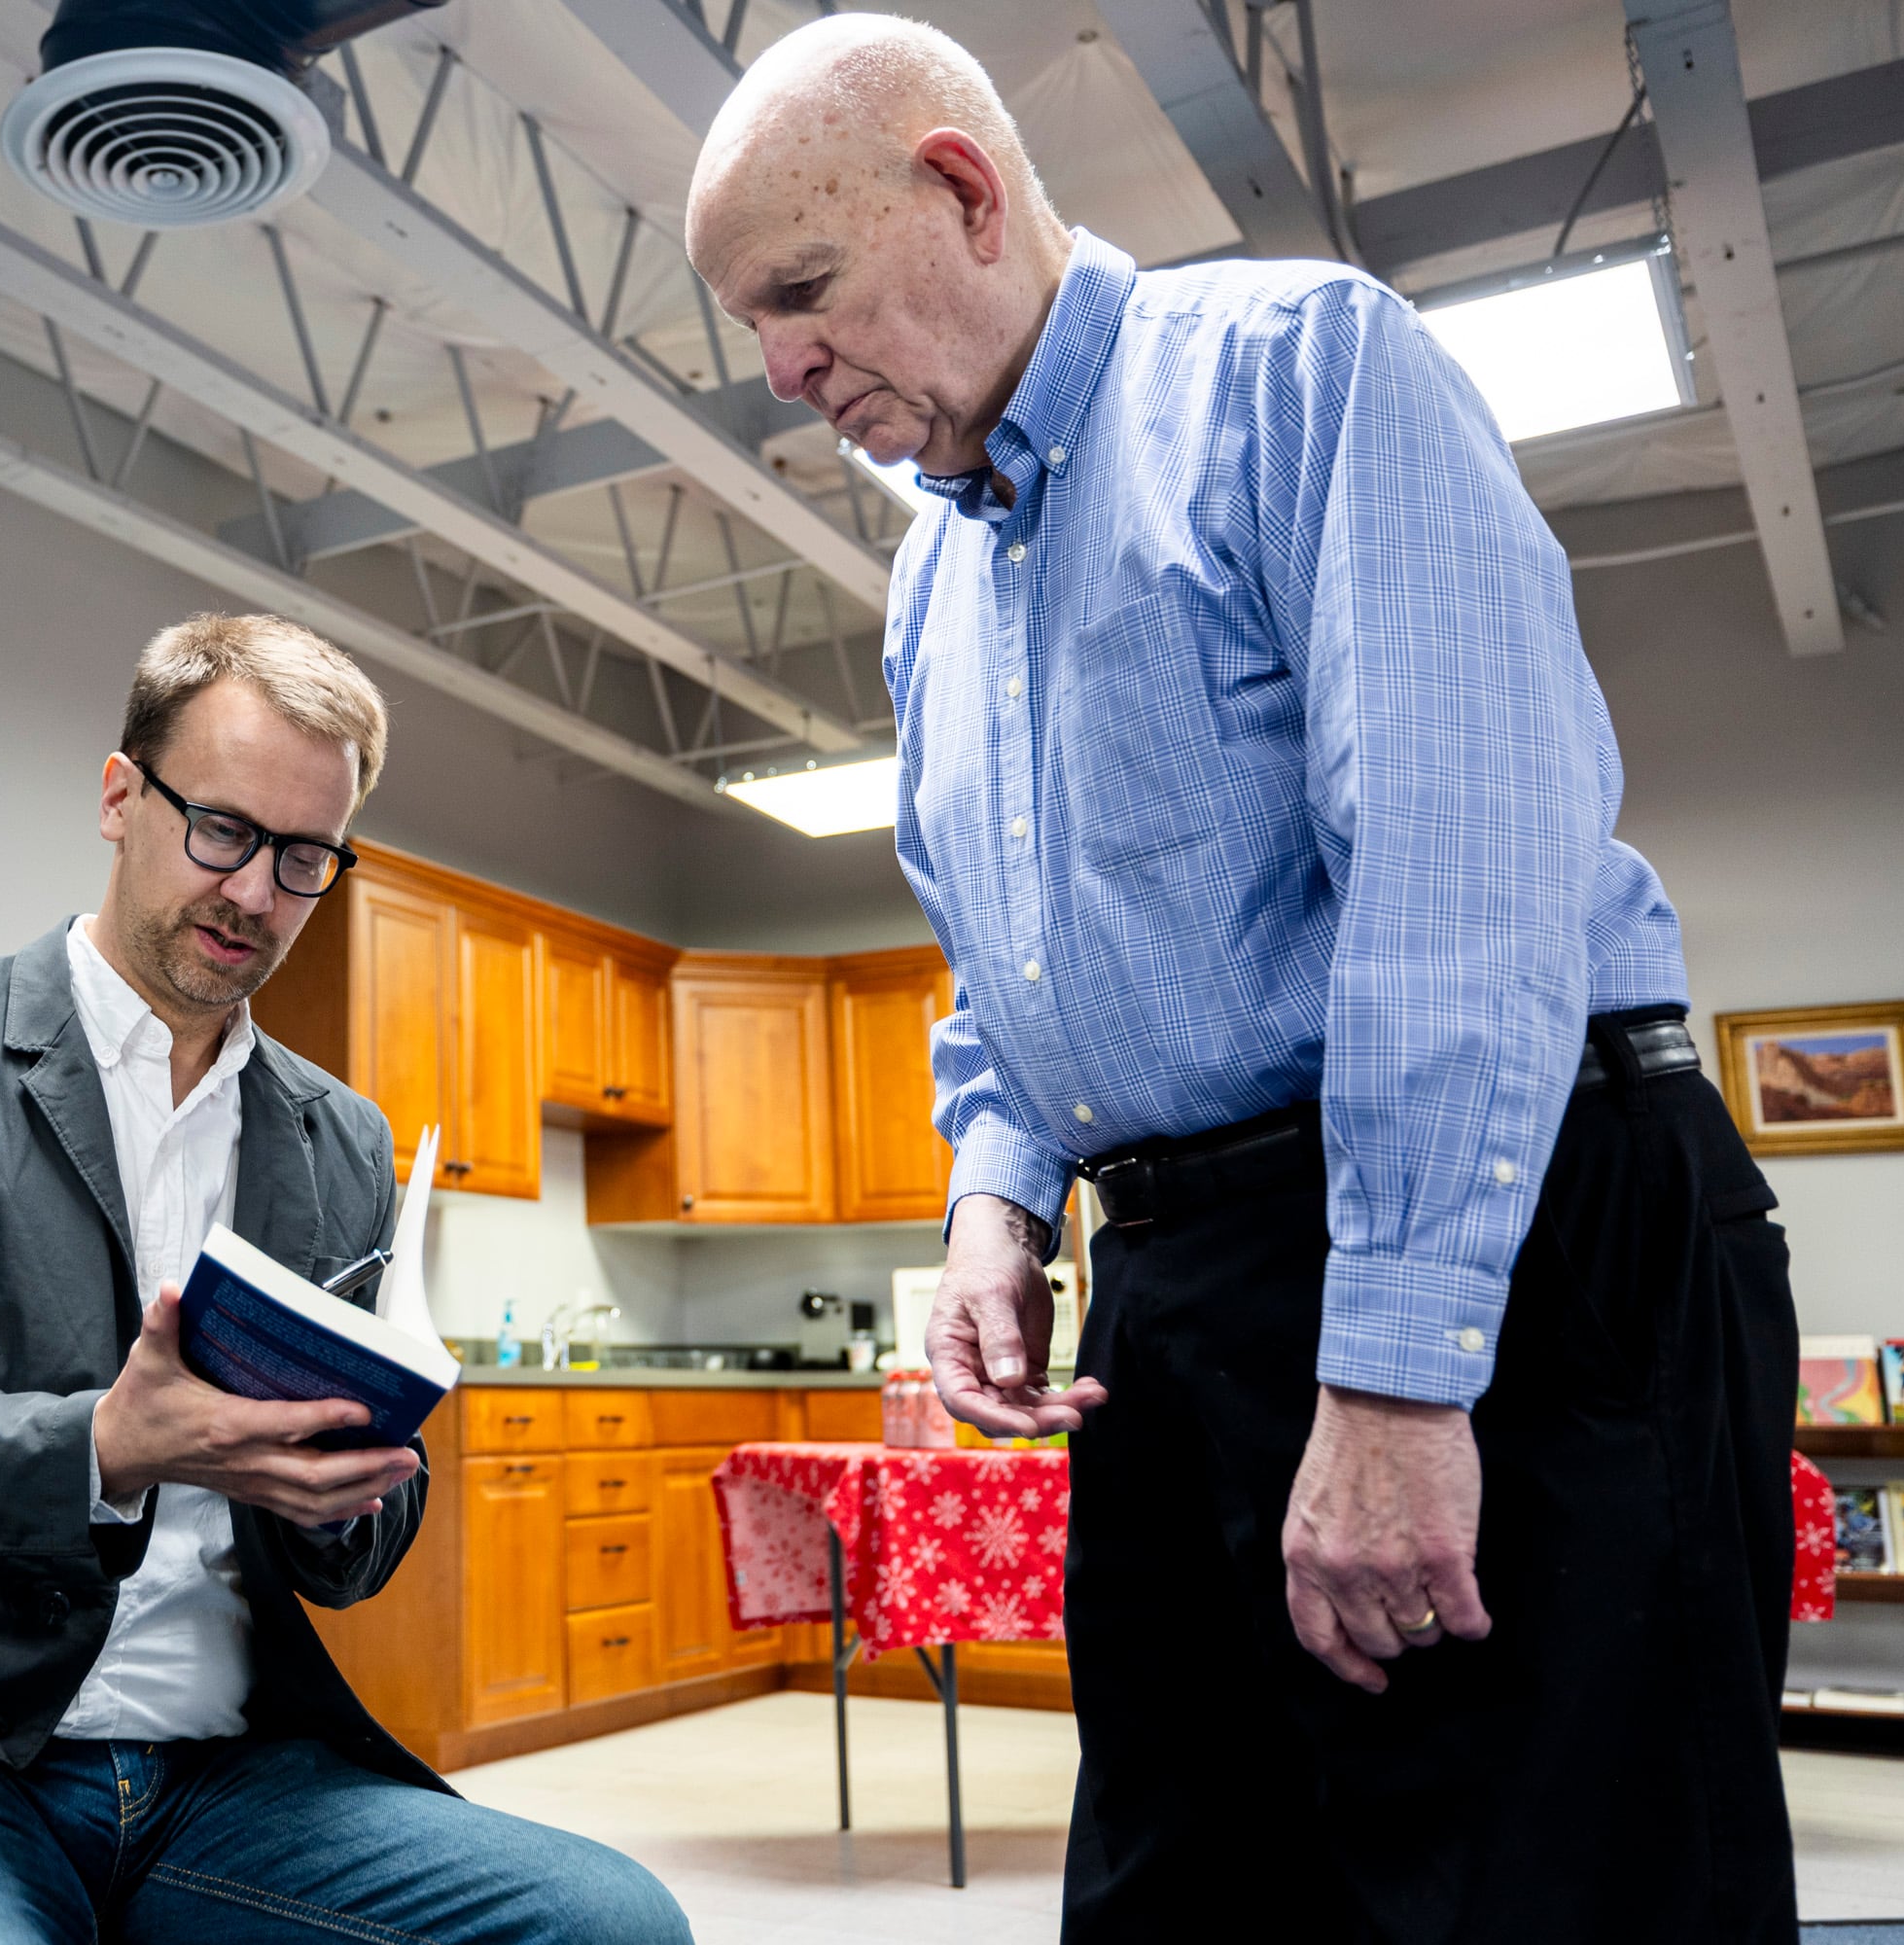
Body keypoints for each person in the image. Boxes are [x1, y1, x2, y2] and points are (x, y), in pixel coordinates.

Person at [688, 18, 1796, 1943]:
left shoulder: (1299, 369)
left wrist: (1398, 1378)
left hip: (1501, 1244)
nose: (783, 369)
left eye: (802, 290)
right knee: (1182, 1899)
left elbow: (1462, 882)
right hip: (1179, 1292)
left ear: (961, 192)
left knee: (1540, 1897)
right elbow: (1006, 962)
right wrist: (994, 1208)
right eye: (755, 329)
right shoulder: (933, 587)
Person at [0, 614, 689, 1945]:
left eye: (304, 858)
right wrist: (103, 1447)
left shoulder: (340, 1140)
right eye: (222, 829)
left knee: (616, 1924)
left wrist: (345, 1493)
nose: (255, 893)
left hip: (234, 1778)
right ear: (119, 798)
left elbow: (356, 1556)